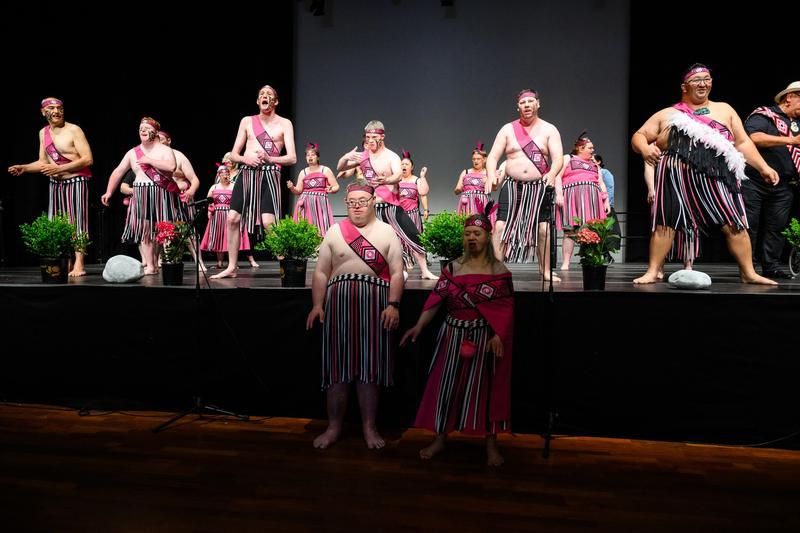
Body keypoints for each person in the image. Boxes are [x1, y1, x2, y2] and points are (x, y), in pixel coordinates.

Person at [631, 63, 779, 285]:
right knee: (665, 224)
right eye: (696, 80)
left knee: (734, 222)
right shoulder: (668, 113)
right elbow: (639, 135)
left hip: (717, 176)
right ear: (684, 86)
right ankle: (653, 271)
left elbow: (743, 143)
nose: (703, 83)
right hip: (675, 176)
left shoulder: (725, 110)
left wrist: (763, 167)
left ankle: (748, 272)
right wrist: (644, 148)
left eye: (707, 79)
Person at [400, 207, 514, 466]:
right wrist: (418, 326)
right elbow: (436, 299)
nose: (471, 238)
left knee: (487, 390)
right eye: (467, 234)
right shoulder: (452, 267)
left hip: (484, 339)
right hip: (451, 336)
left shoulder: (499, 270)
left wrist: (498, 335)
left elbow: (506, 308)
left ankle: (491, 445)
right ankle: (440, 439)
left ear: (487, 236)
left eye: (476, 233)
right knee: (446, 387)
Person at [306, 182, 404, 450]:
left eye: (362, 200)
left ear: (373, 201)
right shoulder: (335, 232)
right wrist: (317, 305)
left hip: (376, 309)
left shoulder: (387, 232)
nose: (357, 206)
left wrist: (393, 305)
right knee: (337, 371)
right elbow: (321, 272)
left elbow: (396, 272)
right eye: (351, 202)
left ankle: (369, 428)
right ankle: (334, 427)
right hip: (337, 310)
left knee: (369, 371)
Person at [212, 85, 297, 279]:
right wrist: (245, 159)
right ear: (258, 101)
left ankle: (286, 264)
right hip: (247, 172)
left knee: (268, 222)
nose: (264, 96)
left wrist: (270, 158)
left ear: (275, 101)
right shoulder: (247, 121)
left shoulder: (285, 123)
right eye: (261, 95)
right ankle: (232, 267)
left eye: (269, 95)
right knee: (232, 218)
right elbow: (234, 154)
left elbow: (292, 158)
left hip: (270, 174)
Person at [337, 121, 438, 280]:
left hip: (391, 207)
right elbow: (341, 168)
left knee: (414, 236)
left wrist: (386, 180)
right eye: (368, 137)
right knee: (366, 241)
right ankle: (367, 271)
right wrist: (345, 157)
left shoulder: (391, 156)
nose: (370, 140)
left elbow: (398, 175)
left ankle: (425, 271)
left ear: (382, 136)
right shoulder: (364, 156)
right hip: (371, 209)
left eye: (374, 137)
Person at [9, 97, 94, 277]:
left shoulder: (74, 130)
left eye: (60, 108)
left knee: (77, 223)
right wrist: (24, 168)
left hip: (76, 181)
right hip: (55, 185)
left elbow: (87, 159)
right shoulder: (43, 133)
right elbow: (43, 162)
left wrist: (60, 168)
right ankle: (67, 261)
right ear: (43, 112)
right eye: (52, 108)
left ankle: (79, 264)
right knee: (58, 224)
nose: (56, 112)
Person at [486, 89, 564, 281]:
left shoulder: (549, 129)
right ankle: (497, 269)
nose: (527, 105)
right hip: (512, 186)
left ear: (538, 103)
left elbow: (558, 158)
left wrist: (553, 174)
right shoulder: (508, 129)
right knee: (499, 228)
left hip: (539, 186)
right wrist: (490, 174)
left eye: (531, 101)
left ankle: (545, 270)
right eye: (523, 102)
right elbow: (493, 156)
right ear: (518, 106)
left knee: (544, 229)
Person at [100, 117, 178, 275]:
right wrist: (109, 192)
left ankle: (169, 261)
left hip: (160, 192)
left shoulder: (164, 150)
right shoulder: (132, 152)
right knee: (145, 231)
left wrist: (149, 160)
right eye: (140, 128)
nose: (142, 130)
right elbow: (118, 171)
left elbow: (171, 166)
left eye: (146, 128)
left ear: (155, 132)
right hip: (141, 193)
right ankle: (151, 265)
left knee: (166, 229)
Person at [741, 81, 800, 279]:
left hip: (785, 184)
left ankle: (771, 266)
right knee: (750, 224)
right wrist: (791, 140)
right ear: (789, 97)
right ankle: (747, 267)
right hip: (754, 180)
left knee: (777, 226)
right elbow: (753, 138)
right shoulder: (765, 114)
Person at [555, 133, 610, 270]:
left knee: (593, 230)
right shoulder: (568, 158)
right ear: (580, 148)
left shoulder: (594, 165)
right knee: (570, 231)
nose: (593, 151)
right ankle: (566, 263)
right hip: (572, 198)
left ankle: (591, 260)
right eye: (590, 148)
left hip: (592, 199)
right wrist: (559, 195)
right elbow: (557, 176)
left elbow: (601, 183)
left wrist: (606, 200)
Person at [157, 130, 205, 271]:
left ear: (169, 140)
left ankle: (199, 261)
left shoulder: (179, 156)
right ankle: (164, 260)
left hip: (181, 197)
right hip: (162, 198)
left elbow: (194, 179)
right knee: (164, 230)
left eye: (161, 138)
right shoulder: (152, 157)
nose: (158, 141)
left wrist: (191, 190)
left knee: (188, 230)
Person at [200, 164, 254, 268]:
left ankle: (233, 263)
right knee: (219, 238)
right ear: (219, 175)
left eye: (227, 173)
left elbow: (241, 199)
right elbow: (209, 200)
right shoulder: (214, 187)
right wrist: (209, 209)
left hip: (230, 215)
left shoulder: (234, 186)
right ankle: (220, 263)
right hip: (217, 216)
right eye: (223, 174)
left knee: (231, 239)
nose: (226, 175)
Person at [287, 142, 339, 236]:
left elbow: (336, 186)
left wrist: (332, 189)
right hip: (305, 204)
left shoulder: (325, 170)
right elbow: (298, 191)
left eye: (313, 155)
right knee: (305, 228)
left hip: (320, 203)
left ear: (318, 157)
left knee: (321, 226)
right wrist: (292, 187)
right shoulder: (303, 172)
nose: (310, 157)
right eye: (308, 155)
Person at [592, 153, 622, 261]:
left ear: (598, 161)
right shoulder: (590, 172)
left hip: (604, 206)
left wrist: (607, 204)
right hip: (594, 206)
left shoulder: (605, 173)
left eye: (592, 159)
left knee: (606, 231)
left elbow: (609, 189)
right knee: (596, 231)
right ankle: (605, 255)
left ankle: (606, 255)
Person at [454, 142, 492, 215]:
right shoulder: (465, 172)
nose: (476, 161)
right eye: (474, 159)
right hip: (466, 203)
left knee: (481, 224)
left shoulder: (488, 173)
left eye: (478, 159)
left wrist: (488, 182)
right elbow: (456, 190)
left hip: (482, 203)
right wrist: (458, 189)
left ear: (484, 160)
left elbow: (494, 188)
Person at [398, 150, 430, 231]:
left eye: (407, 164)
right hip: (398, 215)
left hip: (413, 215)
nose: (404, 166)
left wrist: (426, 209)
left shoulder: (416, 180)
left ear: (412, 167)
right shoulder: (396, 180)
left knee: (414, 237)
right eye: (402, 164)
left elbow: (423, 195)